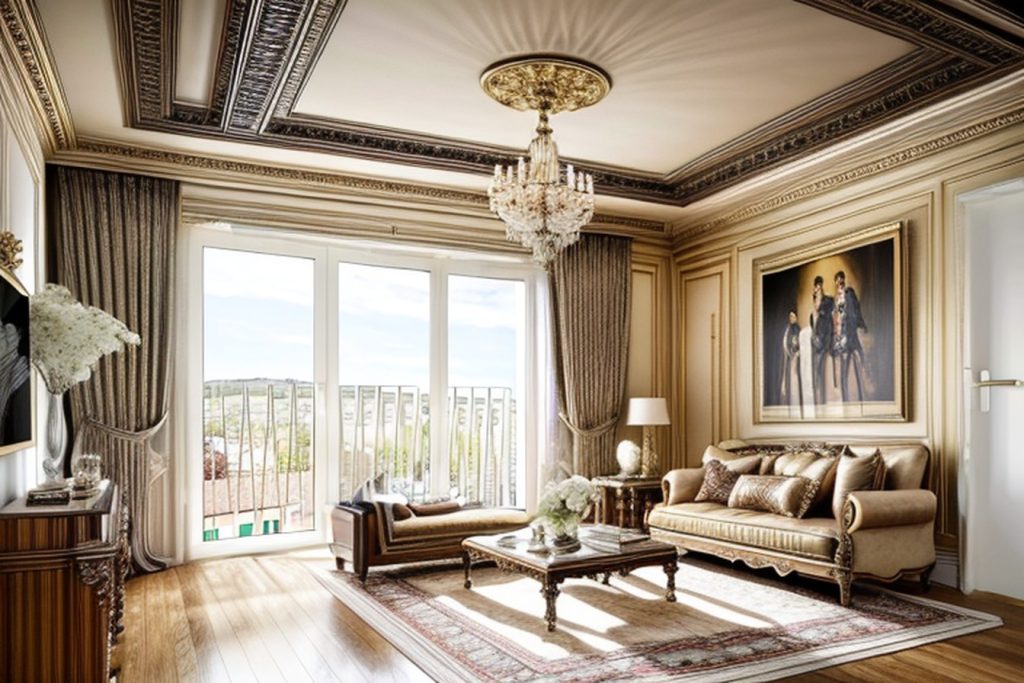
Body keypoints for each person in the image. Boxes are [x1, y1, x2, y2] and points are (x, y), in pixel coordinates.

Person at [832, 270, 867, 402]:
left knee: (858, 367)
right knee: (844, 372)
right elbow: (837, 319)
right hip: (842, 338)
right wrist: (837, 336)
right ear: (835, 283)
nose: (840, 283)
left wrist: (861, 325)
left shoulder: (849, 293)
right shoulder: (837, 299)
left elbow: (855, 311)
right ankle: (845, 402)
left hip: (851, 336)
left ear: (844, 280)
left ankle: (861, 400)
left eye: (842, 280)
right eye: (838, 281)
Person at [809, 275, 834, 405]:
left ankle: (821, 394)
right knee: (814, 366)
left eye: (818, 287)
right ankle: (816, 394)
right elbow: (813, 330)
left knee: (821, 366)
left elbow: (828, 326)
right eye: (815, 288)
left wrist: (821, 341)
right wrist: (814, 339)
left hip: (825, 341)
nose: (816, 290)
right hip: (817, 342)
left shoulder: (828, 301)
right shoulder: (813, 316)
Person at [781, 310, 803, 412]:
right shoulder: (787, 329)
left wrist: (796, 353)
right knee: (788, 380)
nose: (791, 318)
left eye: (793, 316)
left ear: (796, 318)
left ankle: (796, 404)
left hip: (795, 359)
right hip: (789, 359)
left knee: (795, 380)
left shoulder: (798, 329)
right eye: (790, 316)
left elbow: (799, 344)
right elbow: (787, 342)